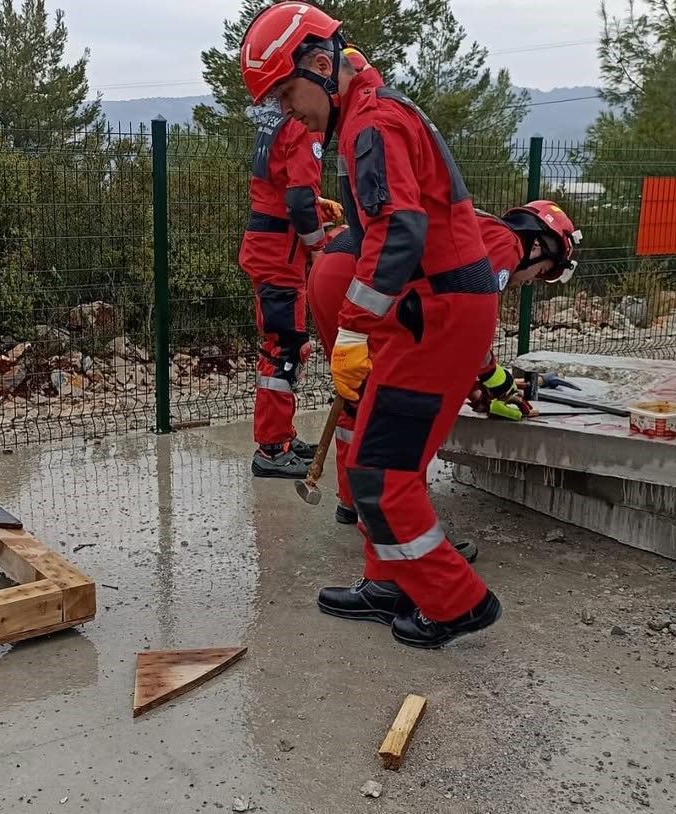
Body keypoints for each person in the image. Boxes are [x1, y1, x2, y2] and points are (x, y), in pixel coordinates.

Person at [241, 2, 502, 649]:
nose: (286, 111)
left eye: (285, 92)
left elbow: (401, 230)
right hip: (426, 312)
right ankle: (390, 582)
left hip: (439, 315)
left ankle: (456, 601)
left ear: (321, 65)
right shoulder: (365, 115)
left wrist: (355, 328)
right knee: (367, 461)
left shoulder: (372, 122)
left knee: (383, 476)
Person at [310, 200, 582, 526]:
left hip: (334, 271)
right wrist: (494, 380)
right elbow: (468, 326)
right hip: (364, 281)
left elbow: (450, 336)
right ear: (538, 245)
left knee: (358, 396)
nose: (531, 281)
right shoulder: (505, 244)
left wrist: (479, 387)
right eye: (542, 272)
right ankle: (399, 526)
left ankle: (355, 501)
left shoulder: (480, 227)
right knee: (402, 406)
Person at [241, 99, 340, 479]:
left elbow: (281, 189)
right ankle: (271, 448)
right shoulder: (305, 125)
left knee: (284, 345)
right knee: (285, 349)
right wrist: (319, 248)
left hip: (271, 247)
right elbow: (297, 201)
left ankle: (281, 436)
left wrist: (317, 206)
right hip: (279, 255)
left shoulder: (277, 120)